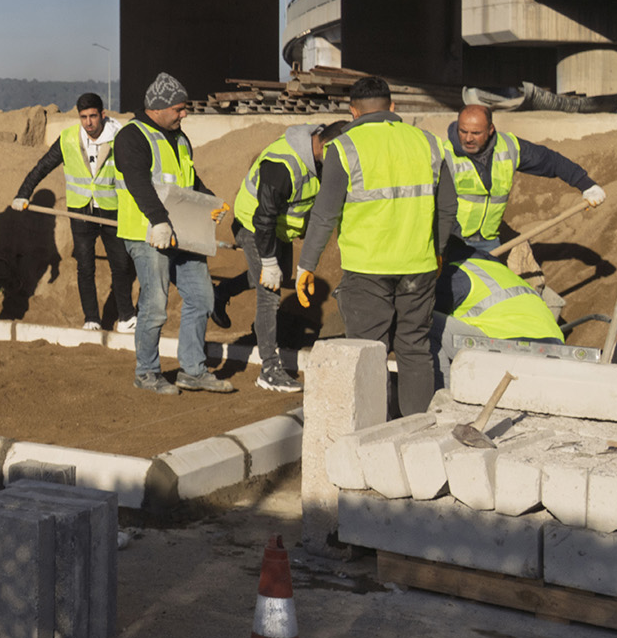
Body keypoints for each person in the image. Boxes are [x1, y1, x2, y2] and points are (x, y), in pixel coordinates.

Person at [296, 76, 458, 417]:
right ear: (393, 107)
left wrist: (306, 265)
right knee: (414, 349)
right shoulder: (428, 142)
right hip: (419, 264)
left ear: (353, 112)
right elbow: (447, 207)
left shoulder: (345, 147)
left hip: (367, 269)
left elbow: (325, 215)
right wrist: (439, 250)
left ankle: (371, 430)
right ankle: (416, 428)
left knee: (369, 351)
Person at [113, 72, 232, 394]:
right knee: (154, 305)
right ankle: (147, 372)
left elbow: (188, 180)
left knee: (202, 297)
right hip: (147, 233)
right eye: (179, 109)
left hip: (182, 232)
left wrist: (210, 202)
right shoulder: (131, 137)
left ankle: (192, 370)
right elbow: (138, 182)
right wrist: (158, 221)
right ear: (158, 107)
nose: (185, 114)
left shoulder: (180, 138)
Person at [232, 121, 345, 393]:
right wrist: (268, 260)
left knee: (272, 278)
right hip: (253, 226)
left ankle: (222, 293)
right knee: (269, 293)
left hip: (279, 231)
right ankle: (269, 368)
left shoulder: (319, 161)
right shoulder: (282, 165)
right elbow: (264, 218)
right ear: (326, 146)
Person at [8, 91, 137, 331]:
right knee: (85, 266)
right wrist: (23, 193)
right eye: (83, 117)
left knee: (121, 264)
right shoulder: (68, 139)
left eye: (93, 116)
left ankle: (126, 317)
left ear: (103, 115)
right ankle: (92, 319)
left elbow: (137, 174)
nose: (88, 122)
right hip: (81, 212)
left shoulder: (120, 137)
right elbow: (43, 166)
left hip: (111, 210)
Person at [445, 103, 606, 252]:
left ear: (490, 130)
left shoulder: (509, 147)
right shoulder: (445, 155)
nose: (468, 139)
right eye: (463, 131)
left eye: (476, 133)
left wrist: (587, 185)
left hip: (489, 242)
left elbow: (550, 161)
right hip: (452, 241)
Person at [438, 254, 565, 342]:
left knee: (423, 325)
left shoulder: (456, 275)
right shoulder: (500, 269)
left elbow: (424, 310)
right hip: (555, 340)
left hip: (509, 342)